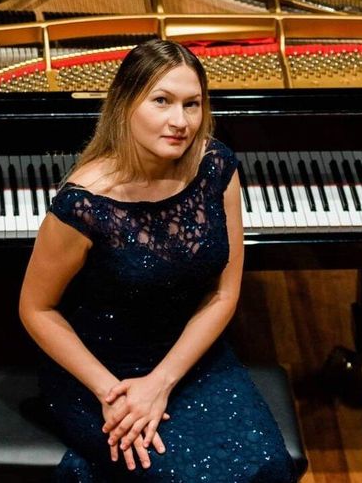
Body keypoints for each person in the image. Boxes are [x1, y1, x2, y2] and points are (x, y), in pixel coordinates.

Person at [19, 39, 295, 481]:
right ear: (126, 104)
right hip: (102, 375)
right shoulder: (84, 204)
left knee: (269, 469)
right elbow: (36, 309)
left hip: (191, 356)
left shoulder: (216, 167)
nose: (180, 121)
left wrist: (162, 382)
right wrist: (114, 393)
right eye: (162, 101)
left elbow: (224, 293)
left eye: (192, 104)